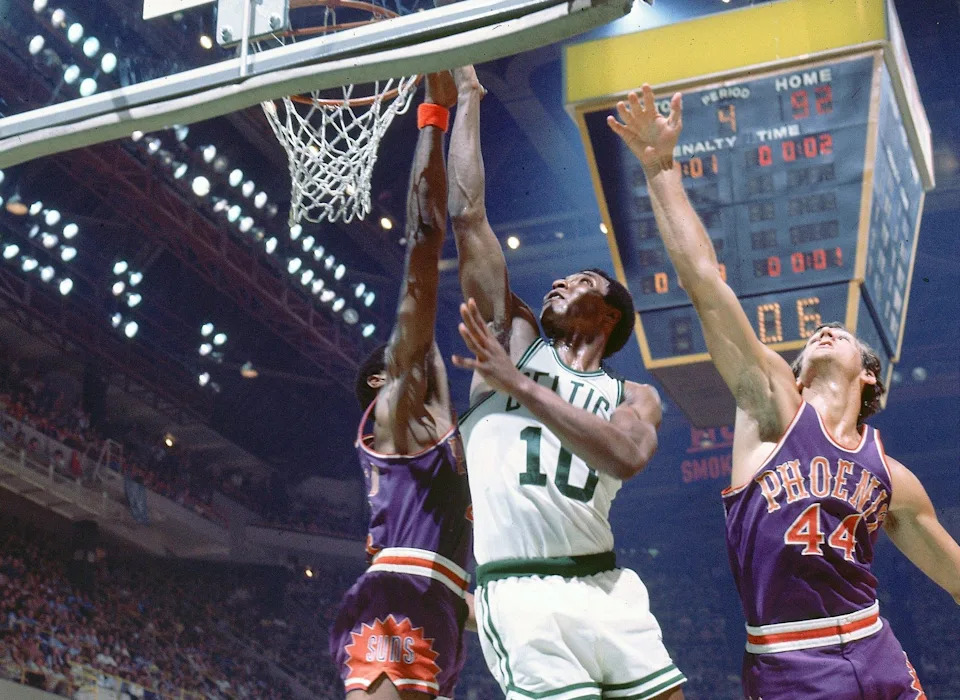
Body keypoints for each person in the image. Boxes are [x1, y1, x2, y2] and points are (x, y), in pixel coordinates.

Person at [609, 84, 960, 699]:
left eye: (842, 335)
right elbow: (704, 283)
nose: (825, 329)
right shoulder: (772, 409)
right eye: (814, 339)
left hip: (876, 650)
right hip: (790, 663)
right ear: (793, 374)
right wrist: (660, 169)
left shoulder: (892, 476)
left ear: (869, 374)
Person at [448, 65, 685, 700]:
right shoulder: (515, 341)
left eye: (580, 281)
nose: (558, 282)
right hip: (521, 593)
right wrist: (467, 98)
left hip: (605, 587)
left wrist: (521, 390)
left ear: (609, 314)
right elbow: (469, 218)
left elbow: (627, 454)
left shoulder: (633, 397)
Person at [329, 72, 473, 700]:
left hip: (433, 594)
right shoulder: (400, 408)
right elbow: (424, 243)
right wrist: (434, 118)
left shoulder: (435, 419)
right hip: (400, 595)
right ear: (386, 380)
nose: (424, 348)